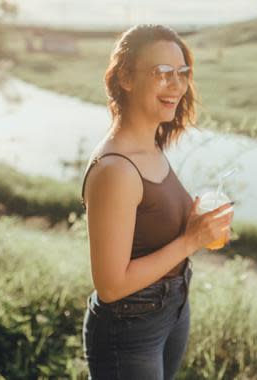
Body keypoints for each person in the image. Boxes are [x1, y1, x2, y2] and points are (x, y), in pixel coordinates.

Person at [80, 24, 233, 379]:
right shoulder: (116, 169)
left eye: (182, 73)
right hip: (129, 329)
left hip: (172, 308)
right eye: (162, 73)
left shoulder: (151, 145)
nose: (177, 85)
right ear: (126, 78)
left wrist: (195, 223)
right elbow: (111, 285)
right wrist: (190, 240)